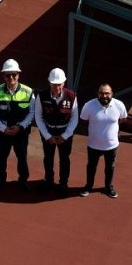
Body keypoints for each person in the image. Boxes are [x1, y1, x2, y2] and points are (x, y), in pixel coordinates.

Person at [0, 58, 35, 191]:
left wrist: (20, 126)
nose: (11, 77)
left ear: (18, 75)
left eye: (14, 74)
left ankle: (23, 180)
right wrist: (3, 129)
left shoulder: (28, 92)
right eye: (8, 75)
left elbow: (31, 113)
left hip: (21, 133)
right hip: (3, 133)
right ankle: (0, 180)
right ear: (3, 76)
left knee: (22, 157)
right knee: (2, 157)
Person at [32, 68, 78, 197]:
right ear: (49, 83)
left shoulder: (72, 96)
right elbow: (38, 117)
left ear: (64, 83)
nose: (57, 87)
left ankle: (63, 183)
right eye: (54, 84)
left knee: (64, 159)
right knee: (48, 158)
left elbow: (74, 118)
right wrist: (47, 136)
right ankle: (49, 182)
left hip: (65, 132)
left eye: (59, 84)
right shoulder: (41, 96)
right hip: (48, 131)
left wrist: (65, 135)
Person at [78, 83, 127, 199]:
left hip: (111, 145)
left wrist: (113, 130)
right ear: (97, 94)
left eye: (107, 93)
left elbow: (123, 119)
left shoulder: (119, 105)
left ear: (112, 94)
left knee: (110, 167)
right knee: (91, 166)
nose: (104, 96)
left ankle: (108, 187)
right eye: (101, 93)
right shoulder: (89, 106)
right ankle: (89, 186)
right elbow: (83, 120)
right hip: (93, 144)